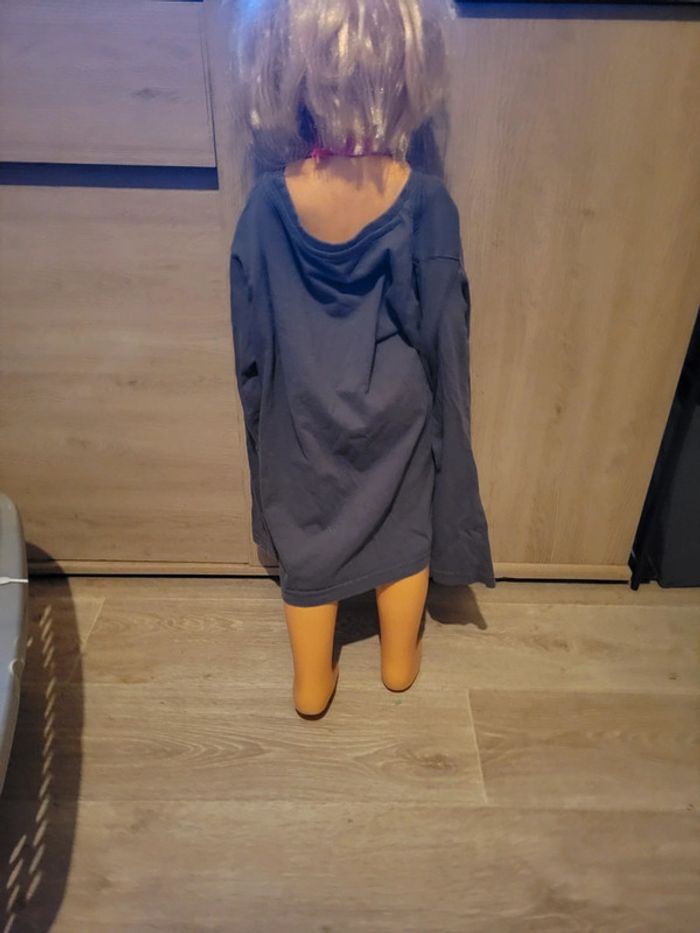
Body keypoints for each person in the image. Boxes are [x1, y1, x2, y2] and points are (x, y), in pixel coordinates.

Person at [226, 0, 496, 718]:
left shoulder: (265, 206)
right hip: (397, 418)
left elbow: (251, 343)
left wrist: (259, 424)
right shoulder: (426, 202)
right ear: (408, 64)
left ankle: (311, 683)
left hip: (300, 419)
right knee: (403, 532)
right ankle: (399, 662)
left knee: (308, 548)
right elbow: (444, 334)